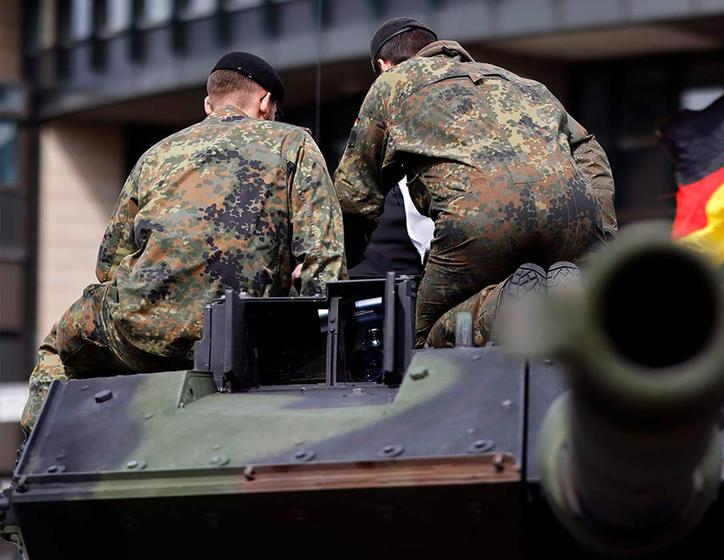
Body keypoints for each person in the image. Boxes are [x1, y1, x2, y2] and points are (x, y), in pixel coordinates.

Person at [20, 52, 346, 432]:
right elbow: (325, 258)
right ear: (265, 103)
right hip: (239, 336)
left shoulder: (157, 154)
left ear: (208, 104)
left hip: (141, 331)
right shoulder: (293, 144)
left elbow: (109, 264)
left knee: (58, 348)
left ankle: (41, 451)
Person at [335, 17, 615, 347]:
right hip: (572, 215)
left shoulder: (392, 83)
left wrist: (340, 261)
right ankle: (569, 288)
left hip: (480, 222)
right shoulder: (522, 83)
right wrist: (603, 228)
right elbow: (587, 147)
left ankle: (505, 304)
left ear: (383, 64)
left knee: (419, 339)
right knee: (568, 304)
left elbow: (356, 192)